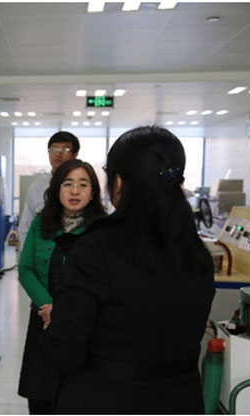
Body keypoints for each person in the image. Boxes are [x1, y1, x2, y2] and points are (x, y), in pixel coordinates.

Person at [41, 126, 215, 414]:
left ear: (119, 181)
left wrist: (54, 324)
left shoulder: (96, 250)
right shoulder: (196, 253)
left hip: (104, 399)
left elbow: (63, 352)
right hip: (181, 399)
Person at [17, 159, 106, 414]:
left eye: (83, 184)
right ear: (56, 189)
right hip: (44, 320)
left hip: (85, 325)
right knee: (40, 395)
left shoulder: (102, 229)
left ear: (93, 192)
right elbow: (25, 269)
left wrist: (65, 312)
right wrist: (48, 306)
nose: (75, 191)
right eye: (67, 184)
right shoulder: (41, 223)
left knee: (77, 397)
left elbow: (104, 280)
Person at [18, 131, 80, 248]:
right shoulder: (37, 188)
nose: (58, 153)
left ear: (75, 154)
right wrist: (29, 255)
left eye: (65, 149)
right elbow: (25, 228)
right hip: (43, 253)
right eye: (53, 149)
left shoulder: (82, 187)